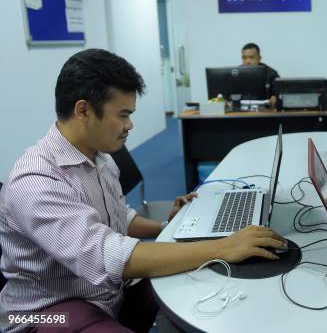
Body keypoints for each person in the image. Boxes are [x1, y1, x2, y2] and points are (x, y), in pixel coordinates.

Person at [0, 49, 286, 333]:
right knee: (203, 263)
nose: (130, 125)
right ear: (83, 110)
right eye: (123, 115)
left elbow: (118, 217)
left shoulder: (98, 155)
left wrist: (166, 225)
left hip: (107, 291)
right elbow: (108, 256)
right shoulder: (35, 181)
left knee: (203, 282)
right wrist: (224, 246)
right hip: (45, 312)